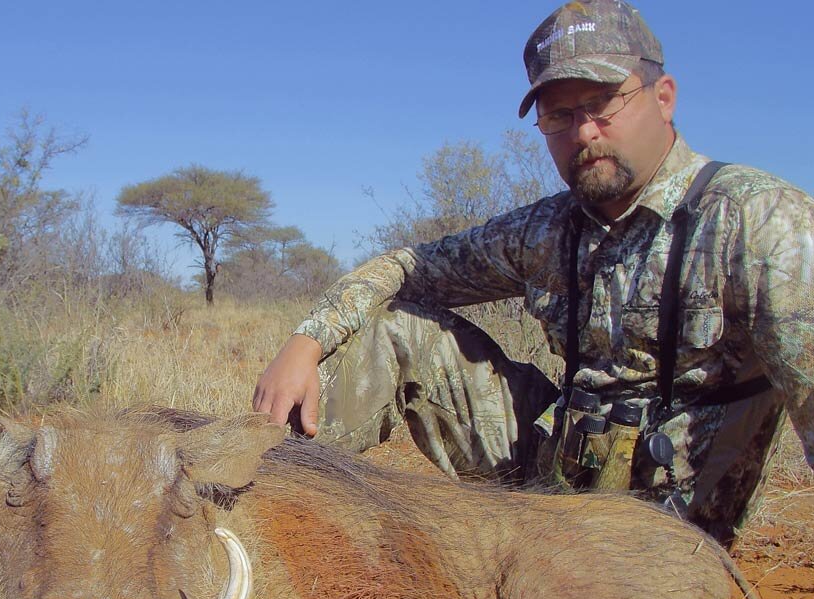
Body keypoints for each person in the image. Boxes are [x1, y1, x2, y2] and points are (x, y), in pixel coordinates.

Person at [252, 0, 814, 547]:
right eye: (559, 115)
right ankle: (260, 523)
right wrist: (307, 339)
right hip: (557, 487)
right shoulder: (547, 230)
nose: (584, 132)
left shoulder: (759, 220)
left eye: (603, 103)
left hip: (668, 538)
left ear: (663, 98)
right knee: (391, 326)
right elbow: (408, 268)